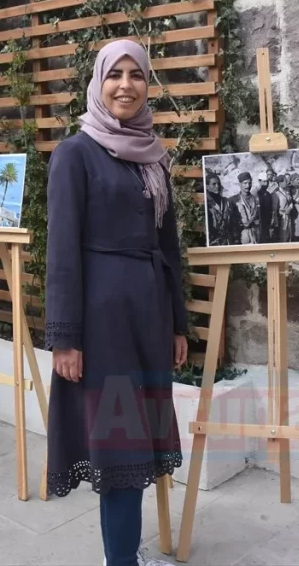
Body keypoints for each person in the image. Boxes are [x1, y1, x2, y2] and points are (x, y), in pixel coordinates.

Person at [44, 39, 188, 566]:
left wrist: (177, 323)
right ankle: (121, 561)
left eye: (137, 75)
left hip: (147, 319)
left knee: (138, 442)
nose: (126, 85)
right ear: (98, 84)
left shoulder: (154, 157)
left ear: (148, 85)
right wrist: (65, 337)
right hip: (103, 325)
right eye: (115, 75)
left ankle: (123, 554)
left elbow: (168, 247)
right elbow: (60, 250)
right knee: (120, 446)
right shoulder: (74, 154)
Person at [233, 172, 260, 244]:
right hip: (241, 236)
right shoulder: (234, 200)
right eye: (245, 183)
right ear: (239, 184)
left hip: (255, 234)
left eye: (249, 183)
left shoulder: (256, 199)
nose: (248, 186)